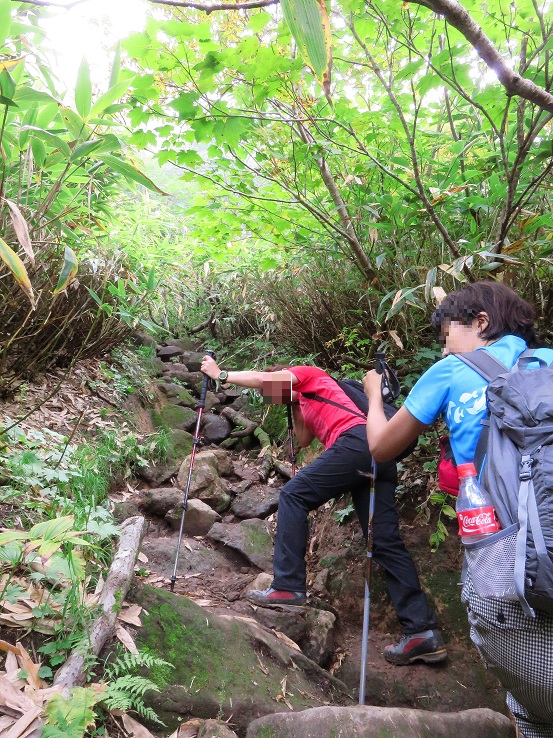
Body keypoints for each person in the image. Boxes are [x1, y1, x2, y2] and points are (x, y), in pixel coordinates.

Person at [363, 281, 553, 737]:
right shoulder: (547, 362)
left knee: (534, 714)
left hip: (502, 563)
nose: (444, 346)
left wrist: (374, 393)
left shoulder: (449, 371)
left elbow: (381, 447)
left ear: (480, 323)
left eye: (446, 334)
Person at [200, 355, 446, 665]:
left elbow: (266, 380)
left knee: (292, 496)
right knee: (382, 540)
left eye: (275, 387)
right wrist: (292, 406)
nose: (272, 394)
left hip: (358, 441)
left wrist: (222, 374)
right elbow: (302, 440)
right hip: (375, 456)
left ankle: (288, 587)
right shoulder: (304, 400)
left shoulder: (310, 374)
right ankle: (422, 631)